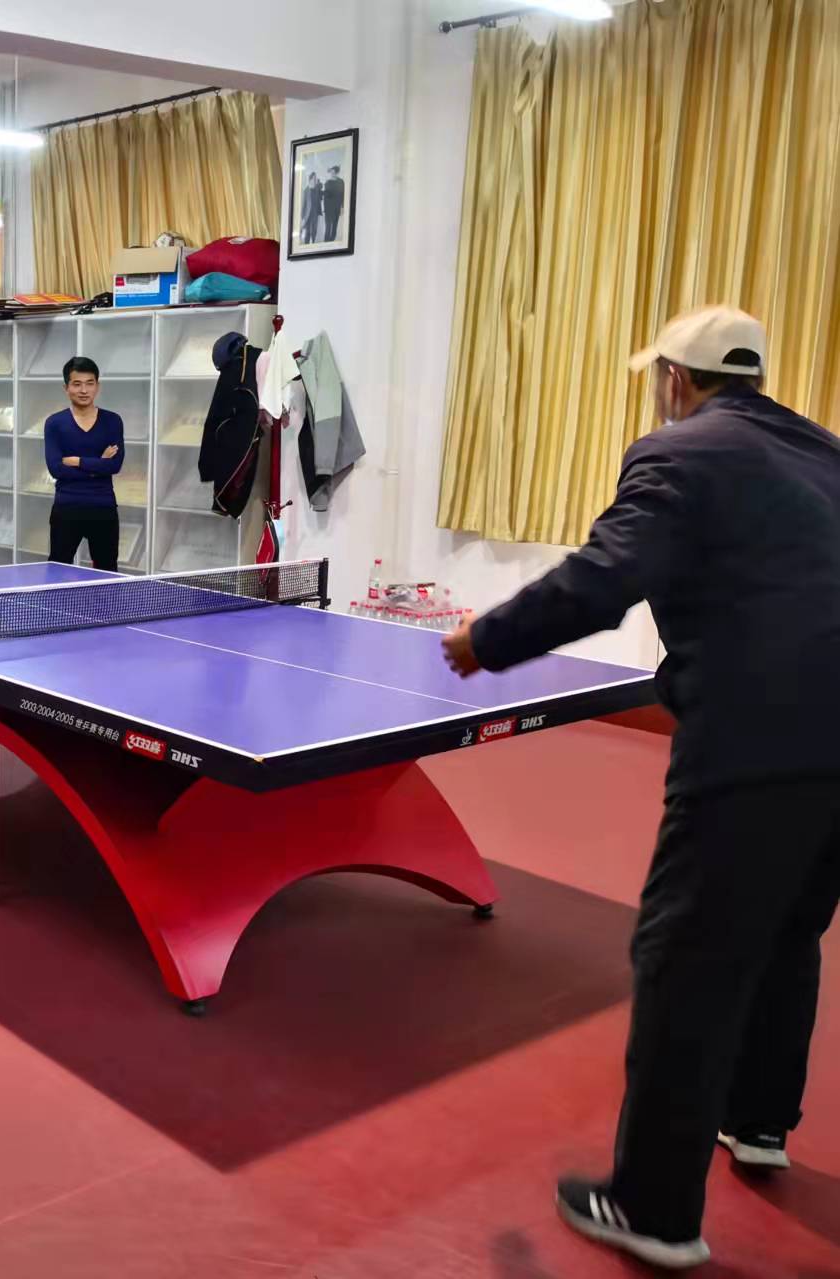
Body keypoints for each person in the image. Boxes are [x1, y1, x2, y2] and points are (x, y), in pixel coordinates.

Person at [440, 306, 840, 1271]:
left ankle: (653, 1208)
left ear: (675, 378)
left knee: (688, 961)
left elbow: (603, 576)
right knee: (788, 931)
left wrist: (486, 637)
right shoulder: (826, 453)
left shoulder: (679, 452)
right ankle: (758, 1121)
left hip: (754, 740)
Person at [44, 356, 123, 572]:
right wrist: (99, 463)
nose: (84, 390)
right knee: (58, 569)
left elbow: (114, 466)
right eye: (77, 384)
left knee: (107, 571)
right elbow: (56, 469)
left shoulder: (112, 421)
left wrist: (77, 461)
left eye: (90, 383)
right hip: (67, 507)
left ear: (98, 386)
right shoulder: (54, 423)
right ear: (66, 388)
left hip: (103, 507)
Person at [322, 165, 346, 242]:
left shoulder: (341, 182)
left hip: (336, 208)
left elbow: (343, 195)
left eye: (333, 172)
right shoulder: (327, 182)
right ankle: (326, 242)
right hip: (328, 209)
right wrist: (325, 209)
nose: (332, 174)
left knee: (335, 226)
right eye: (331, 172)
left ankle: (332, 241)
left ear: (337, 173)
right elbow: (325, 197)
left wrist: (342, 207)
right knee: (328, 227)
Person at [300, 172, 323, 246]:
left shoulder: (317, 189)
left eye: (315, 178)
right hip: (307, 214)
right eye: (314, 178)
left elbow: (320, 198)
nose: (315, 180)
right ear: (310, 179)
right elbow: (303, 204)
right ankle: (306, 245)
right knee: (307, 231)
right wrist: (302, 217)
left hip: (315, 213)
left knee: (314, 230)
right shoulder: (306, 190)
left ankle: (313, 243)